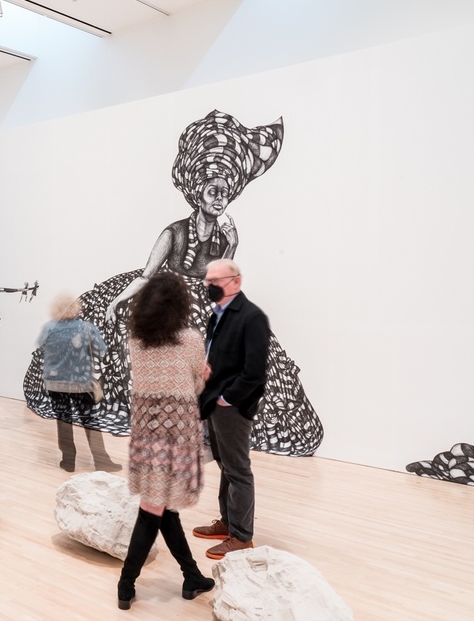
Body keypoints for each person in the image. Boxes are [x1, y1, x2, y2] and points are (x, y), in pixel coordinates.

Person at [23, 110, 322, 457]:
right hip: (165, 296)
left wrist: (233, 244)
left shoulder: (225, 236)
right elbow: (147, 275)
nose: (219, 199)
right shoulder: (174, 232)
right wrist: (119, 299)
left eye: (224, 193)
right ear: (198, 191)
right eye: (213, 191)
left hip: (202, 300)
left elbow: (221, 273)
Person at [117, 273, 214, 610]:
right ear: (179, 304)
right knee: (153, 508)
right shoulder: (190, 339)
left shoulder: (135, 340)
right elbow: (196, 387)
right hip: (176, 434)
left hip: (146, 432)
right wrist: (204, 376)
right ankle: (126, 583)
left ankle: (192, 576)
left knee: (162, 504)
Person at [192, 259, 270, 560]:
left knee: (238, 470)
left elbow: (255, 373)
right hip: (215, 402)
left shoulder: (252, 318)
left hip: (232, 407)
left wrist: (227, 398)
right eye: (207, 280)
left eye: (215, 280)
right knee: (226, 466)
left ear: (235, 281)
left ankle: (241, 536)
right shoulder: (218, 315)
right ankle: (227, 523)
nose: (208, 286)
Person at [36, 292, 120, 472]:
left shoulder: (49, 327)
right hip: (81, 384)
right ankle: (101, 461)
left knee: (63, 421)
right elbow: (102, 350)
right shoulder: (86, 327)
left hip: (55, 384)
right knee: (90, 422)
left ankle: (68, 462)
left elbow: (40, 344)